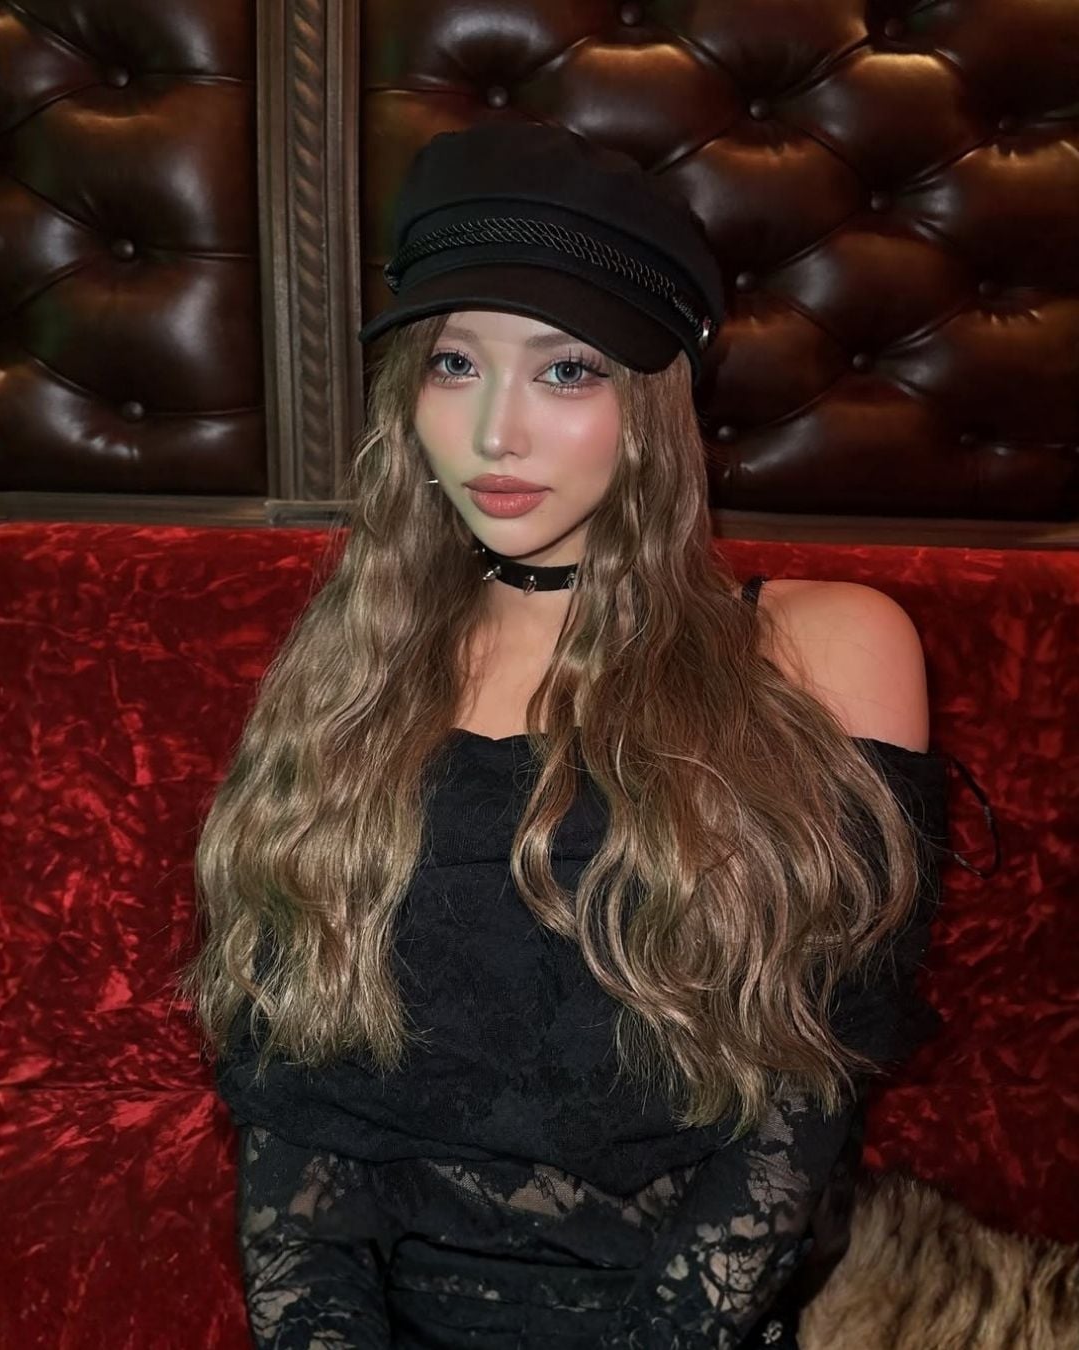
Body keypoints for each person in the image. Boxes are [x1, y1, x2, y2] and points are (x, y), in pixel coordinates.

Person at [181, 122, 993, 1348]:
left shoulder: (824, 649)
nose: (494, 433)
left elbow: (799, 1110)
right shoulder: (350, 672)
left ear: (656, 406)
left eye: (566, 371)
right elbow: (296, 1126)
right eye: (456, 363)